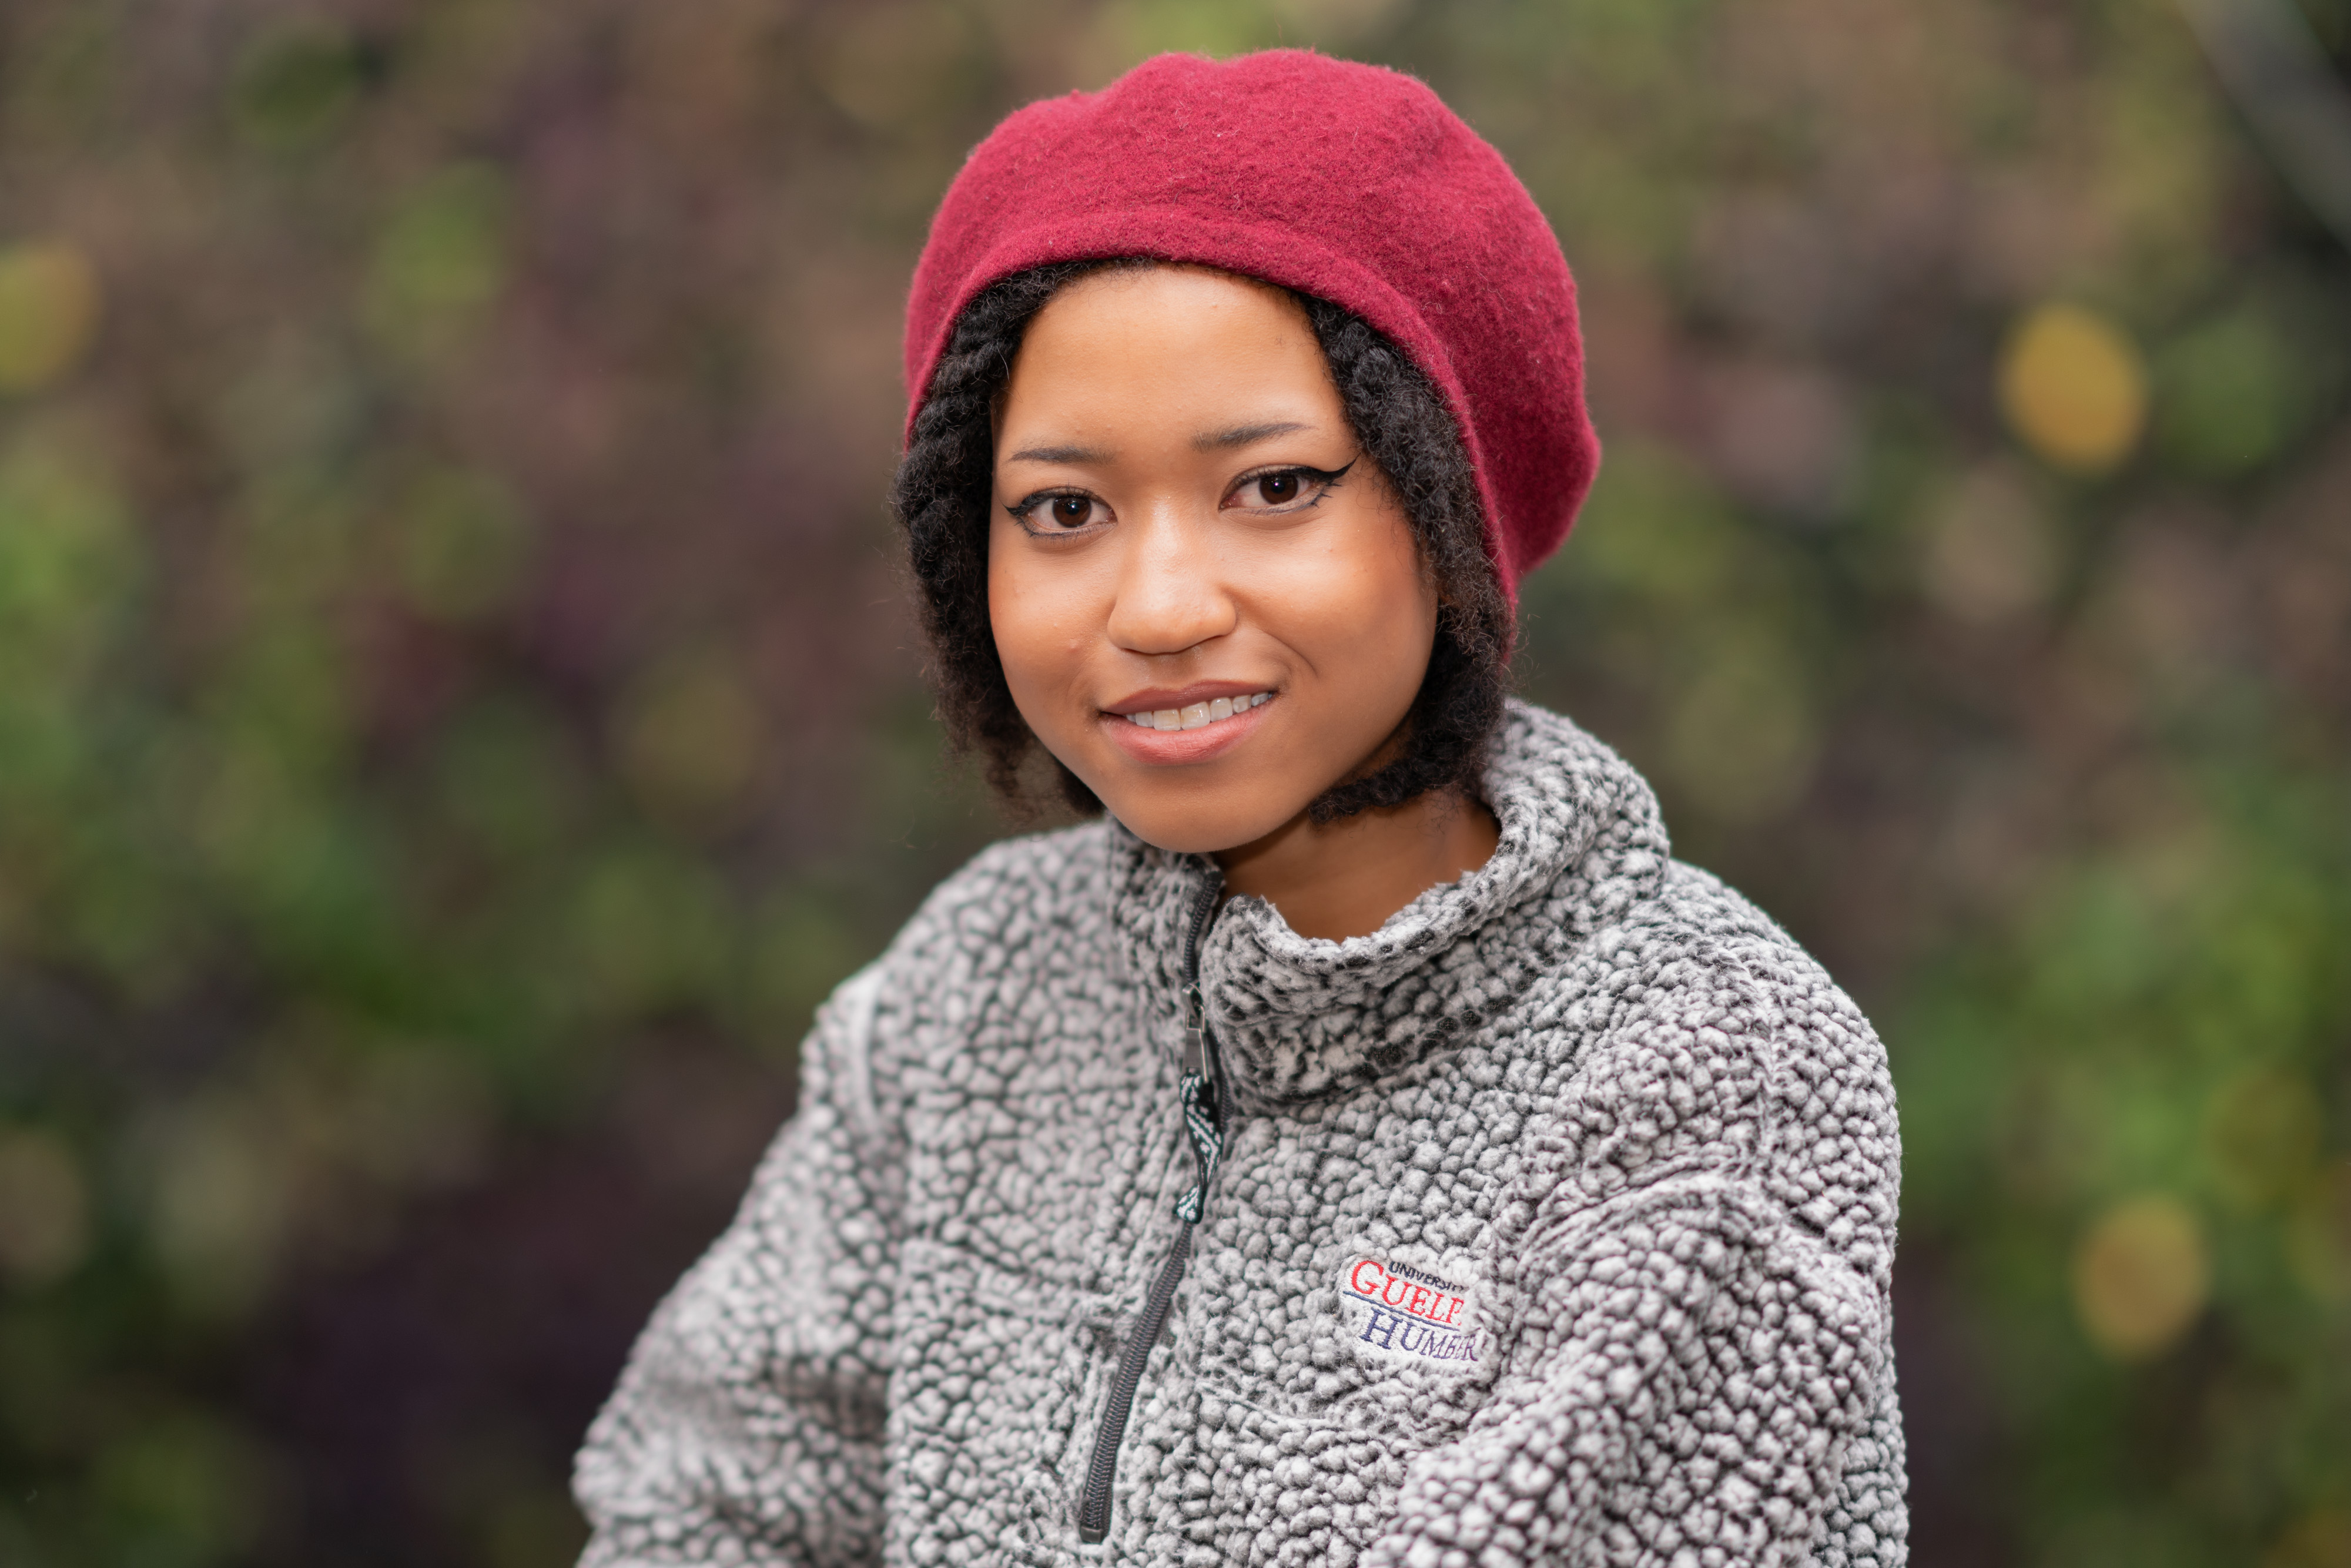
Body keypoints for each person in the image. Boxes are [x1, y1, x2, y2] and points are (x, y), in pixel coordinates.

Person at [574, 49, 1906, 1568]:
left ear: (1447, 506)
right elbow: (707, 1499)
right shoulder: (977, 993)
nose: (1156, 605)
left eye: (1272, 487)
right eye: (1065, 510)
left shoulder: (1703, 1069)